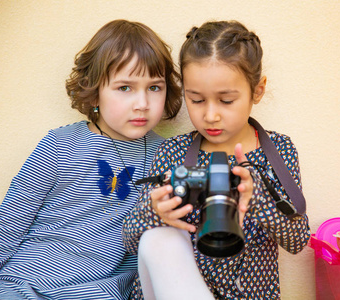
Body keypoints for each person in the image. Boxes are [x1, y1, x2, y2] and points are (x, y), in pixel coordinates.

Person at [0, 19, 182, 299]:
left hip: (99, 292)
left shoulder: (169, 156)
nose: (142, 103)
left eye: (154, 87)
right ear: (94, 91)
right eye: (125, 88)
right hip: (22, 286)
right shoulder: (59, 145)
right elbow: (5, 227)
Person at [122, 20, 311, 300]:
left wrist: (259, 198)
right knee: (155, 237)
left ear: (257, 90)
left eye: (226, 100)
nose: (210, 115)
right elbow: (131, 241)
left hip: (250, 294)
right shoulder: (173, 152)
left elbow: (298, 241)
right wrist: (155, 212)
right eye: (196, 100)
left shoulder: (279, 151)